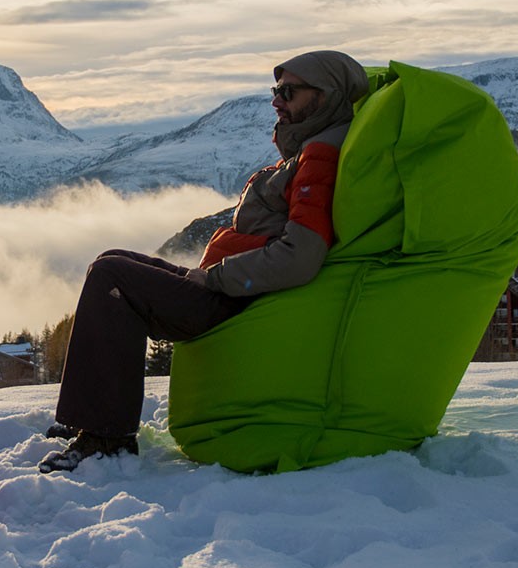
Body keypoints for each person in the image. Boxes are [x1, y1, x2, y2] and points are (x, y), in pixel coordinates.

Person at [41, 49, 369, 474]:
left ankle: (107, 438)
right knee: (112, 260)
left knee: (111, 276)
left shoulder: (319, 158)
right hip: (229, 288)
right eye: (276, 90)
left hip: (233, 300)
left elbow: (301, 255)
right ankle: (88, 418)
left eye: (288, 91)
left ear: (324, 96)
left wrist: (215, 277)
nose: (276, 101)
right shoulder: (308, 151)